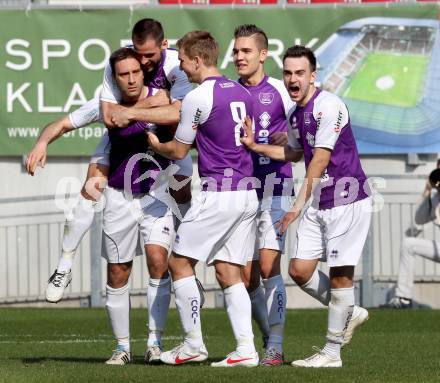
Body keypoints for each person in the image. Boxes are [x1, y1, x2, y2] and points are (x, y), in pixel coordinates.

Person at [26, 17, 193, 304]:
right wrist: (41, 142)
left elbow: (177, 111)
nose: (137, 68)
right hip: (122, 143)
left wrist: (136, 110)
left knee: (183, 190)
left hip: (164, 145)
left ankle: (186, 271)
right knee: (92, 185)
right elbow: (100, 117)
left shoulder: (176, 67)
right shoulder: (120, 68)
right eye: (130, 67)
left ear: (164, 47)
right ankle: (65, 264)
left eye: (144, 61)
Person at [241, 45, 371, 368]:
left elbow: (321, 159)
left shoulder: (329, 106)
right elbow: (295, 154)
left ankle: (331, 353)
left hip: (346, 197)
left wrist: (297, 206)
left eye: (300, 73)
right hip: (319, 200)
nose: (293, 79)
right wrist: (256, 145)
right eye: (288, 73)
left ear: (313, 76)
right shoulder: (296, 114)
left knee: (341, 276)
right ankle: (349, 311)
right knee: (299, 270)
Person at [147, 30, 260, 368]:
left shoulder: (198, 97)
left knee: (178, 263)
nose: (180, 68)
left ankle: (193, 344)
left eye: (182, 61)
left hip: (219, 195)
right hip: (246, 194)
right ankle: (246, 350)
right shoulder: (241, 89)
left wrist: (154, 143)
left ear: (197, 60)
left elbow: (179, 150)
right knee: (228, 271)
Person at [99, 48, 175, 365]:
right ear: (114, 78)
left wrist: (145, 108)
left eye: (135, 72)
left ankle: (154, 343)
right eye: (123, 74)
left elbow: (177, 111)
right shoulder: (109, 105)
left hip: (157, 193)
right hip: (119, 195)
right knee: (118, 270)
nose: (131, 79)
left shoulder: (165, 96)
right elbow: (112, 118)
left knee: (158, 260)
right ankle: (122, 347)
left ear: (143, 72)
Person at [232, 24, 295, 366]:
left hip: (277, 184)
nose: (239, 57)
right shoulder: (228, 92)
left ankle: (277, 343)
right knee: (245, 275)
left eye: (246, 51)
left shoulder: (281, 92)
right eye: (236, 51)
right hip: (241, 189)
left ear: (262, 54)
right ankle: (267, 336)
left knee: (270, 265)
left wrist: (291, 138)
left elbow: (303, 129)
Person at [387, 163, 440, 309]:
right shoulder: (435, 198)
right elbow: (418, 222)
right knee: (408, 244)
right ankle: (403, 298)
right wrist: (427, 195)